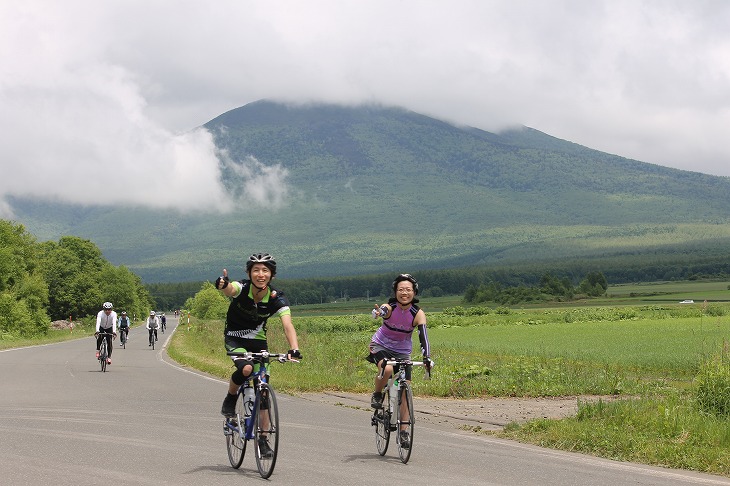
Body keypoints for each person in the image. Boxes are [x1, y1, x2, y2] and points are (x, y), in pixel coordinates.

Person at [215, 253, 302, 458]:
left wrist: (294, 348)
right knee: (246, 369)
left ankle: (263, 440)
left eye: (265, 270)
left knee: (263, 393)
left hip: (258, 341)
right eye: (256, 270)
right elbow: (230, 289)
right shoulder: (242, 288)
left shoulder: (276, 297)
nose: (260, 274)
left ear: (271, 275)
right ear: (249, 273)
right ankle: (230, 398)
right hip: (235, 339)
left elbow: (287, 324)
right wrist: (223, 284)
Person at [367, 274, 432, 450]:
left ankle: (404, 431)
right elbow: (383, 310)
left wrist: (427, 357)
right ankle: (378, 393)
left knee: (405, 390)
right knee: (387, 369)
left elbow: (423, 338)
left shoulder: (417, 314)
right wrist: (379, 312)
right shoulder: (390, 307)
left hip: (403, 352)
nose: (405, 293)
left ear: (414, 292)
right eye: (401, 290)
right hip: (380, 346)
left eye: (408, 290)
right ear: (395, 292)